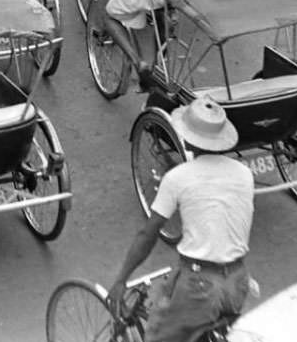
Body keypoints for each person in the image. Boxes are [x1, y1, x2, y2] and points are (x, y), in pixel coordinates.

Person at [108, 96, 253, 342]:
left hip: (199, 286)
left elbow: (148, 234)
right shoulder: (244, 174)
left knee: (159, 335)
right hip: (237, 281)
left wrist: (121, 279)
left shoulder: (178, 178)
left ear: (186, 137)